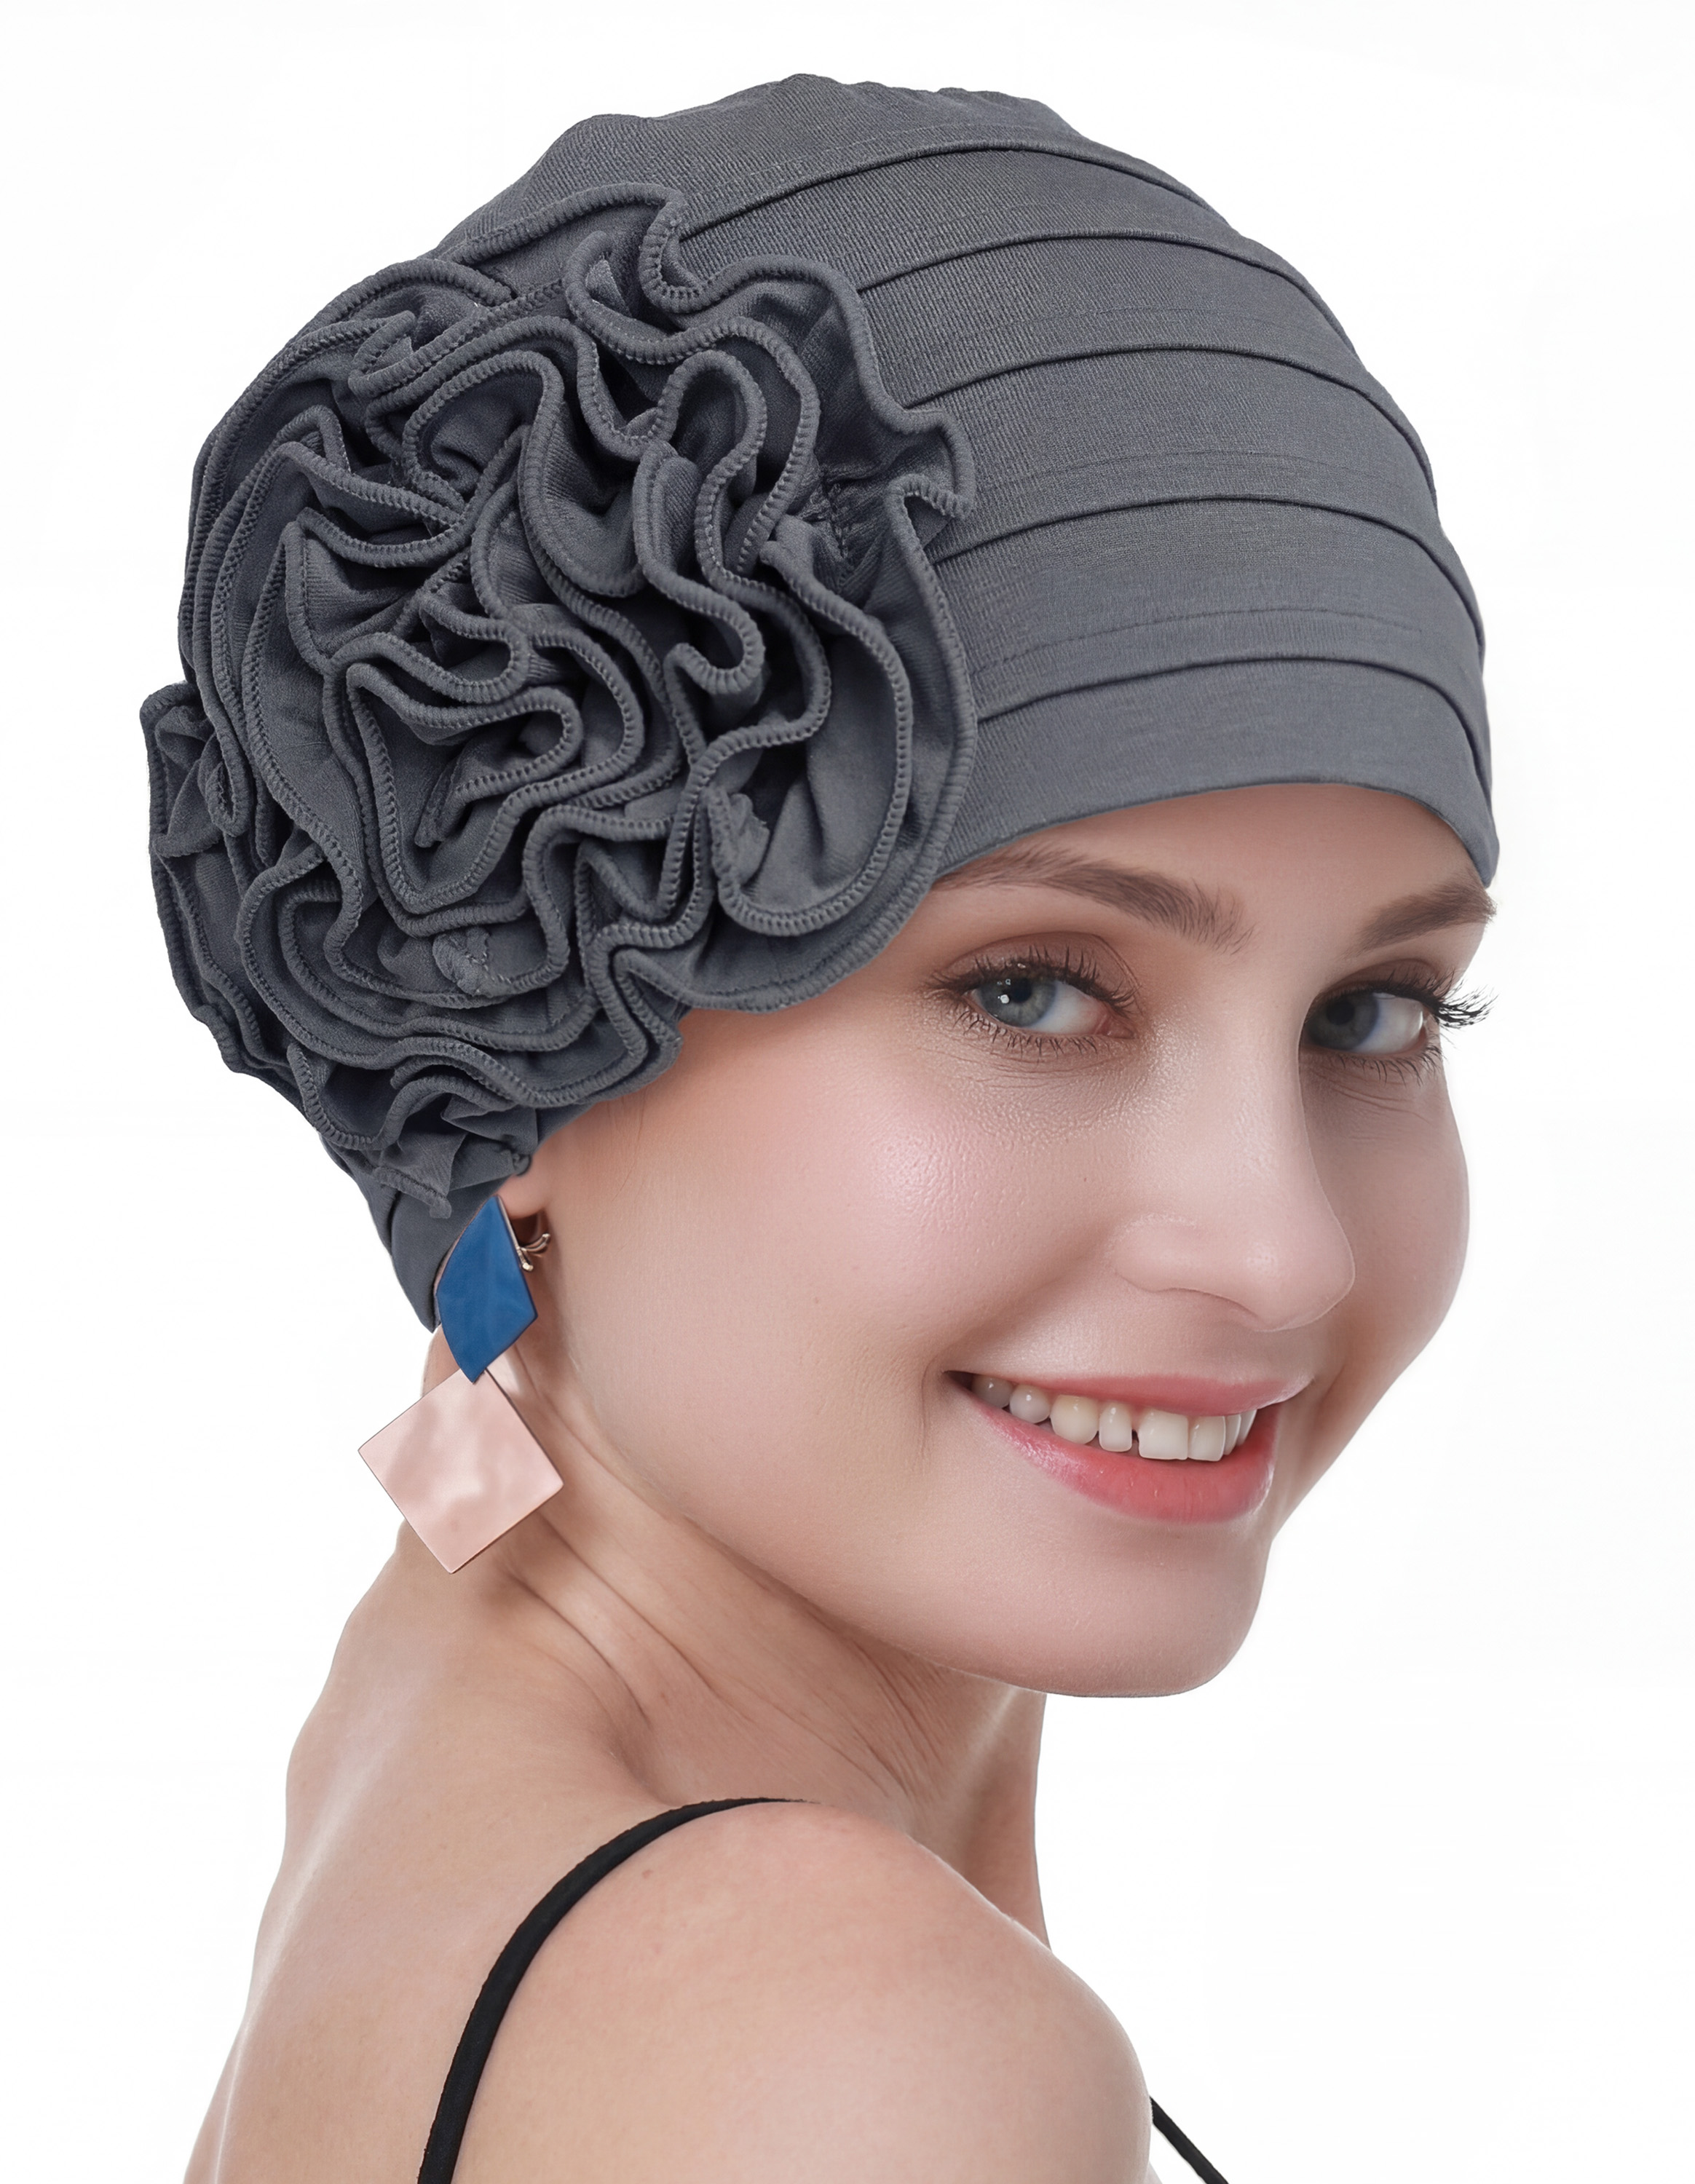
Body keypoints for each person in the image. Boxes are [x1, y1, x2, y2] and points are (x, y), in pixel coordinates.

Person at [144, 76, 1496, 2183]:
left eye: (1374, 1013)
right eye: (1031, 990)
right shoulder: (858, 2047)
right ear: (512, 1008)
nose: (1286, 1249)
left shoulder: (444, 1690)